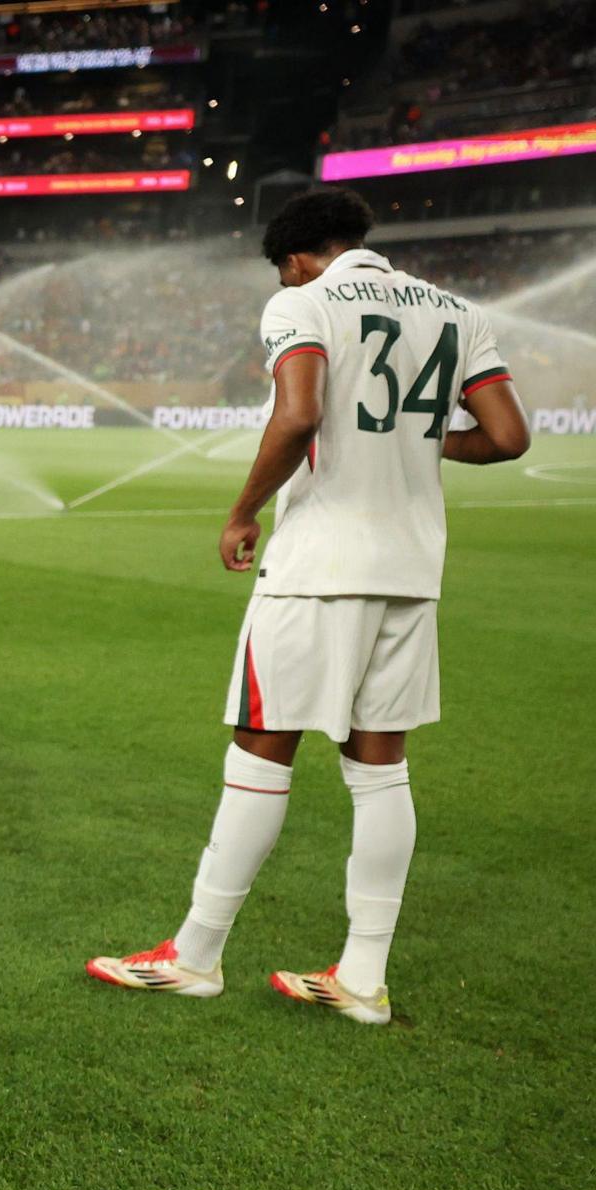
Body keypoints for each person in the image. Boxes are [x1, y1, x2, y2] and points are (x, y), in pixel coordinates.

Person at [84, 189, 528, 1024]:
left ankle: (196, 952)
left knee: (261, 750)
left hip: (319, 563)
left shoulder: (302, 301)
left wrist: (242, 508)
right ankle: (363, 976)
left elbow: (297, 413)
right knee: (380, 768)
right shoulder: (454, 312)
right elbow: (507, 436)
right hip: (412, 567)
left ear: (294, 257)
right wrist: (424, 440)